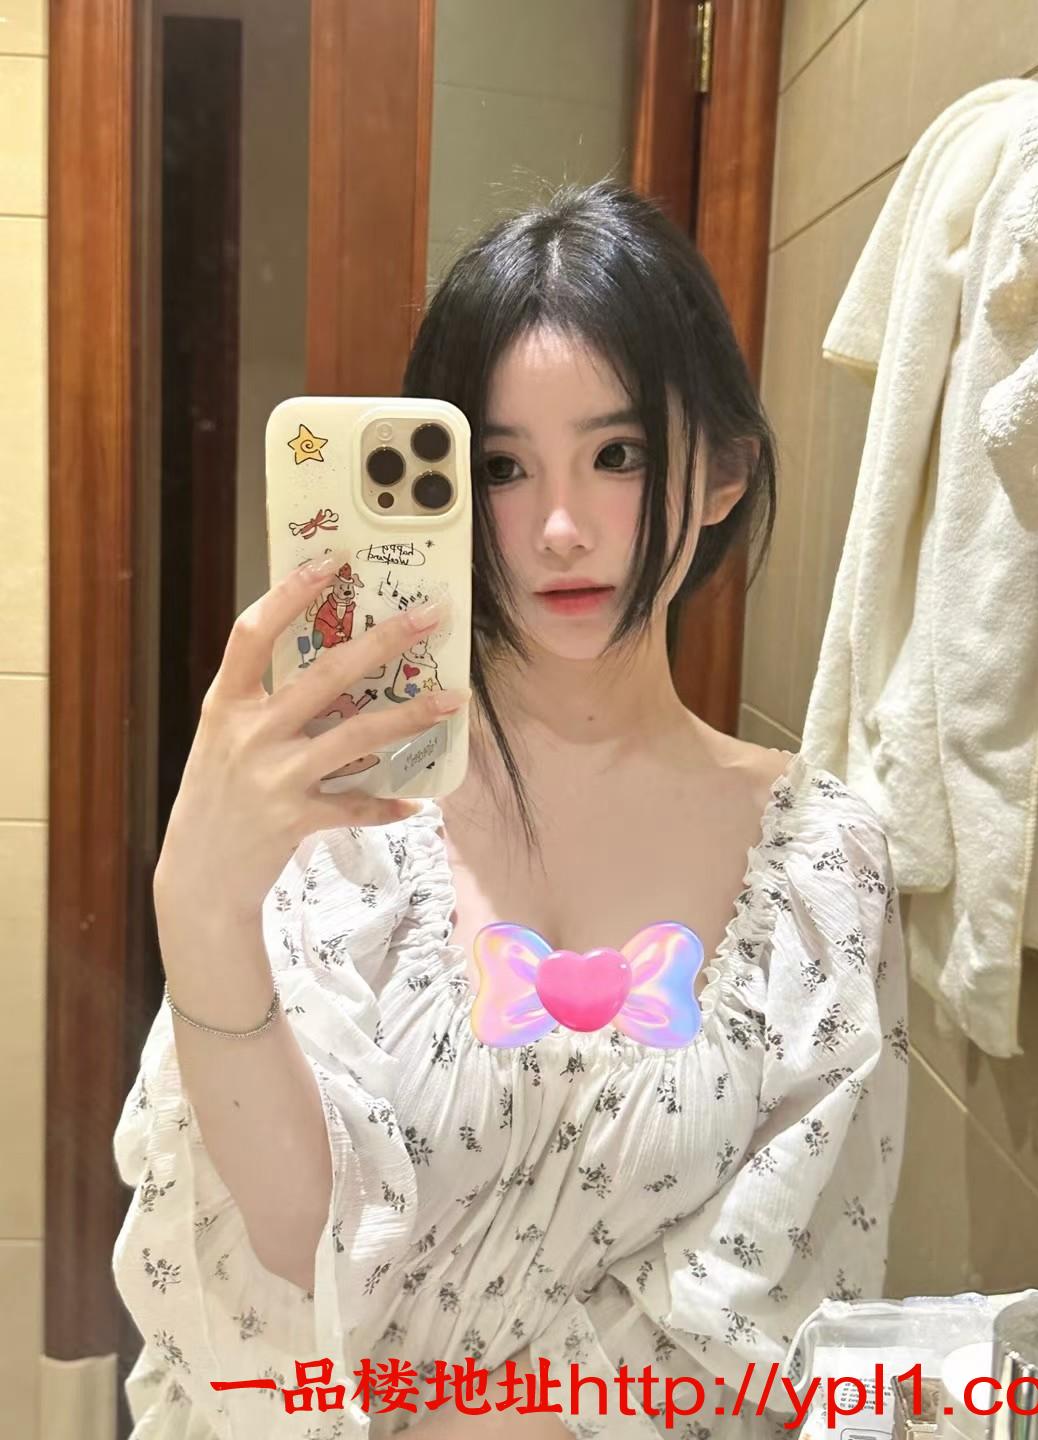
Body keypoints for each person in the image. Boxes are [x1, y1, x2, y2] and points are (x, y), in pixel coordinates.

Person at [112, 181, 908, 1440]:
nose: (558, 527)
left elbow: (769, 1312)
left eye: (618, 454)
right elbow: (285, 1246)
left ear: (721, 470)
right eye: (499, 467)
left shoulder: (821, 867)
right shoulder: (342, 824)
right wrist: (199, 908)